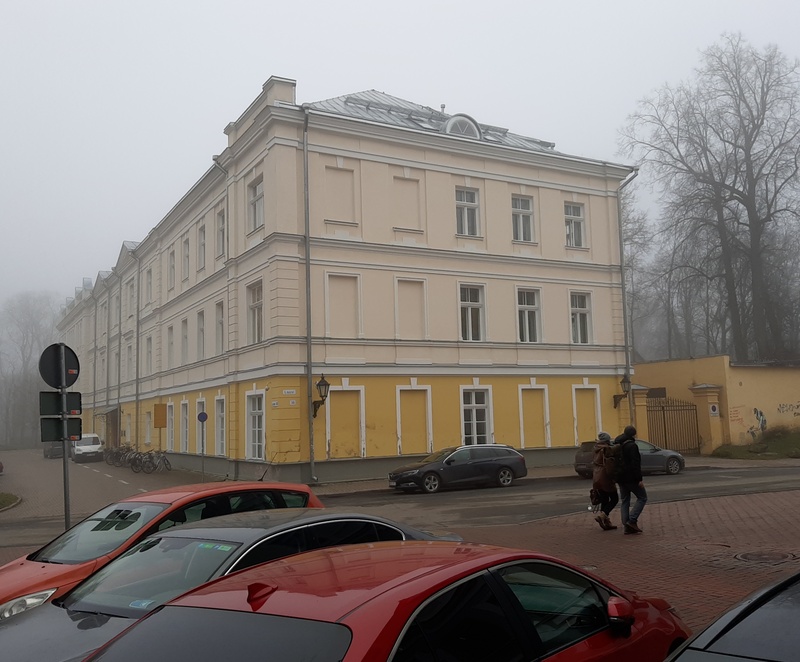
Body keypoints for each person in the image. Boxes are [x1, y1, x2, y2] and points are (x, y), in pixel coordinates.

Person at [614, 425, 647, 535]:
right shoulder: (632, 446)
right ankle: (632, 520)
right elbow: (635, 464)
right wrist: (639, 479)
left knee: (625, 500)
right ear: (633, 434)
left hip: (620, 477)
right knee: (642, 497)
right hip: (631, 478)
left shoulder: (618, 444)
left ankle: (626, 525)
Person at [591, 432, 618, 530]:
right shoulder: (606, 449)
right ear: (607, 440)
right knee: (615, 499)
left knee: (604, 499)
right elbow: (610, 466)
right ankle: (603, 515)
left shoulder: (595, 448)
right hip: (605, 477)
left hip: (597, 477)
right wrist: (614, 477)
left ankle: (606, 523)